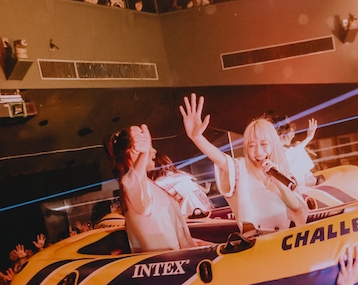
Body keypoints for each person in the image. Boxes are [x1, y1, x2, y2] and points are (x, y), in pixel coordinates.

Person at [180, 93, 308, 233]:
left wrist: (279, 184)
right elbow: (219, 158)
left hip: (281, 240)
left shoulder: (283, 172)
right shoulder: (240, 169)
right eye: (252, 145)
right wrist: (197, 138)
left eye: (264, 144)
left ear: (274, 144)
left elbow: (297, 209)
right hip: (254, 242)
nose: (258, 151)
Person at [105, 124, 195, 253]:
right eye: (150, 147)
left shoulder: (147, 184)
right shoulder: (130, 183)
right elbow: (133, 181)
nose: (154, 151)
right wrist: (144, 154)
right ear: (135, 151)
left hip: (181, 259)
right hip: (167, 262)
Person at [148, 153, 213, 218]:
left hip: (191, 208)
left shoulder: (160, 182)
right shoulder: (181, 174)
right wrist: (207, 189)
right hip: (203, 204)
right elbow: (196, 188)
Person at [278, 118, 318, 189]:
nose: (293, 136)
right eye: (291, 133)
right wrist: (309, 138)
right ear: (284, 133)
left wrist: (309, 137)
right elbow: (294, 153)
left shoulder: (284, 149)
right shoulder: (279, 151)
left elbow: (295, 152)